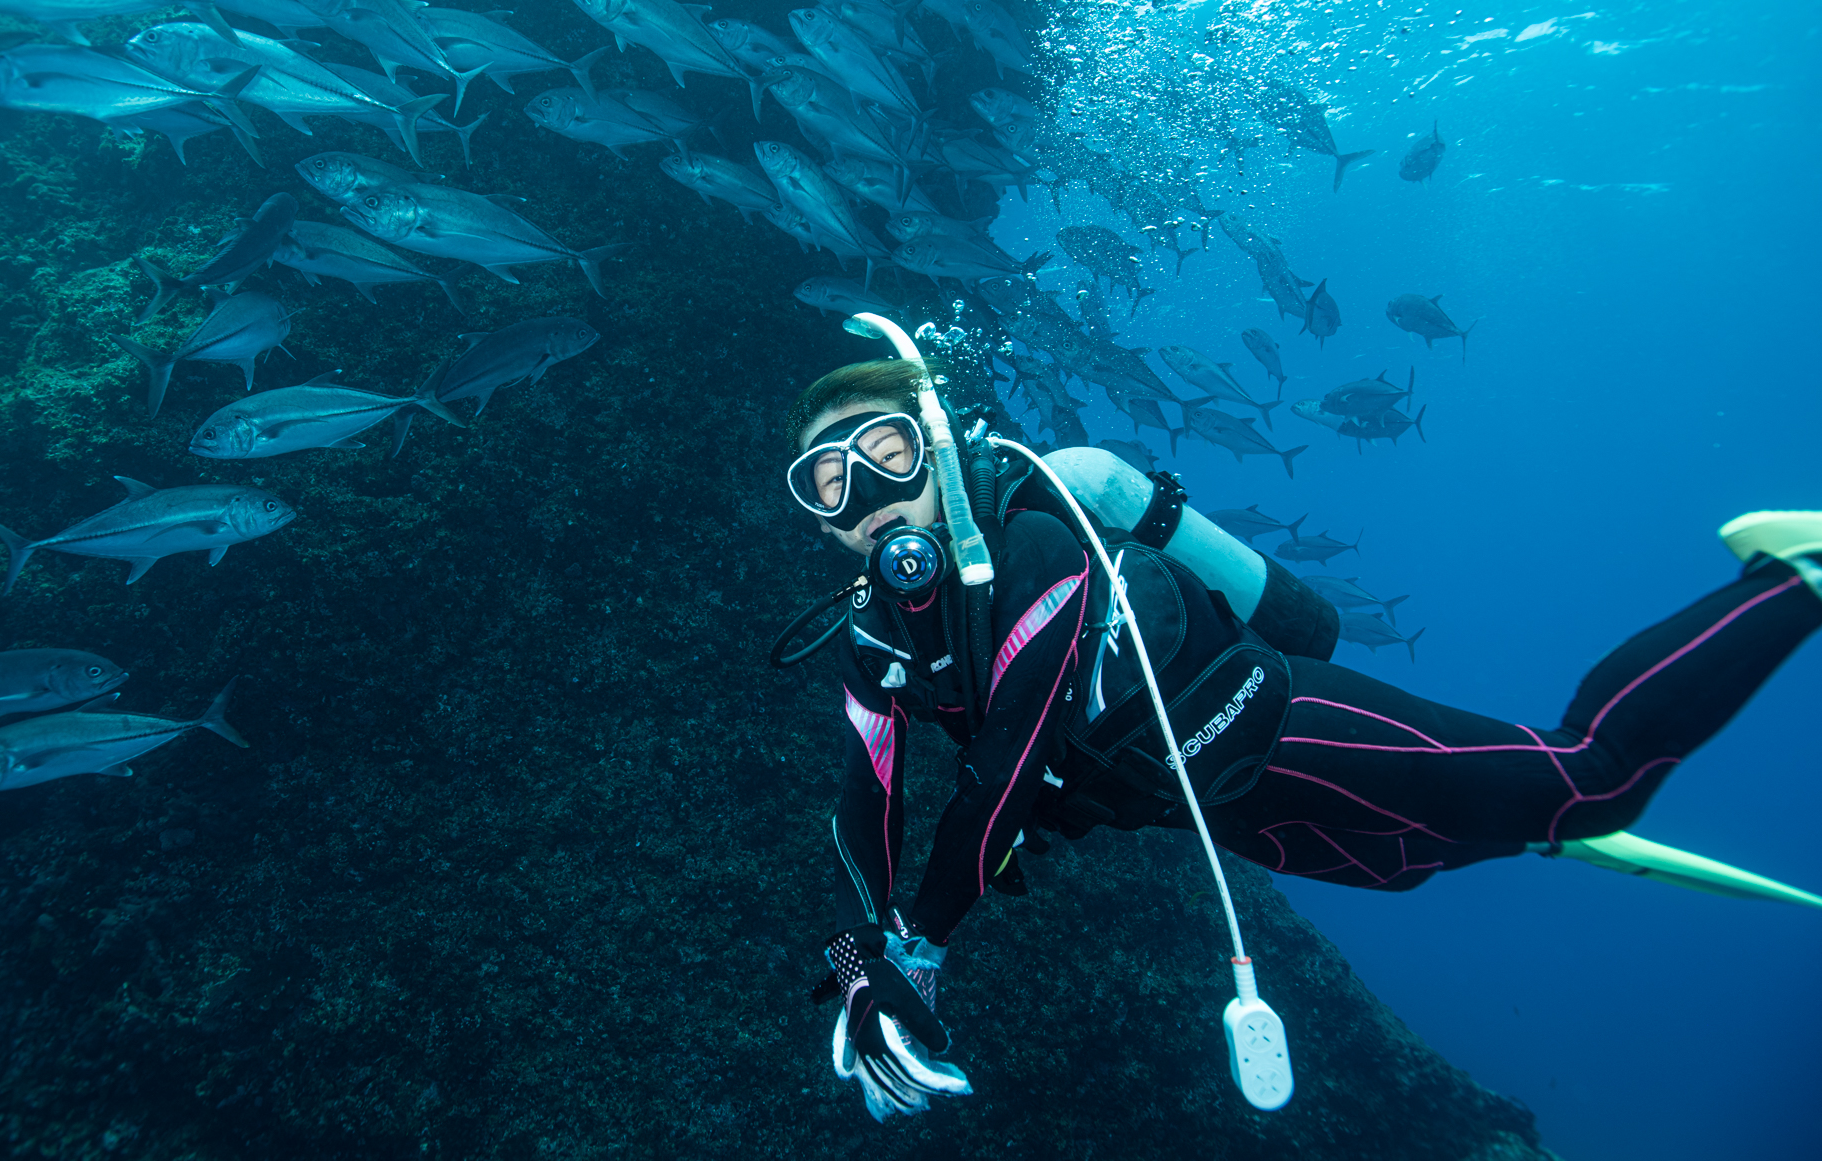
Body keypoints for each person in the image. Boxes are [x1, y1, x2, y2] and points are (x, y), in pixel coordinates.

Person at [781, 359, 1822, 1121]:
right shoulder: (869, 642)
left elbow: (1004, 775)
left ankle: (1786, 576)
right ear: (819, 525)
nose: (866, 494)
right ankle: (1529, 818)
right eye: (828, 483)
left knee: (1592, 777)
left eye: (885, 453)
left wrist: (911, 953)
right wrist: (861, 950)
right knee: (1405, 860)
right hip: (1228, 812)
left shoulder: (1037, 544)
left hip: (1288, 724)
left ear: (938, 447)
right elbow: (865, 796)